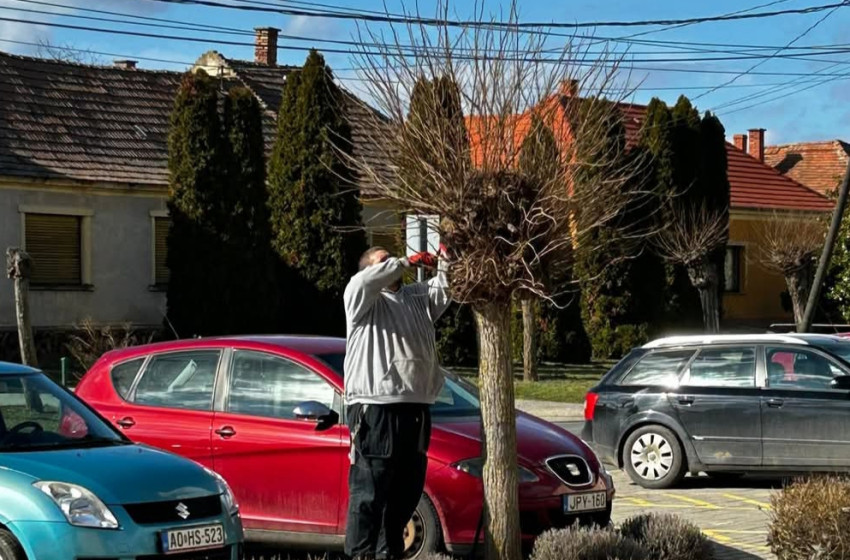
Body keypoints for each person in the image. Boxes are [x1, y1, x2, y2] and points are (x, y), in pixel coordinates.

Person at [342, 244, 451, 560]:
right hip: (376, 408)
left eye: (392, 258)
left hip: (416, 409)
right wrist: (404, 261)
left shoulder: (416, 297)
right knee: (369, 492)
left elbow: (444, 290)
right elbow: (367, 280)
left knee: (407, 491)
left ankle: (388, 552)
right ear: (369, 270)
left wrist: (446, 260)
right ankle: (361, 554)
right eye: (383, 261)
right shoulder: (361, 298)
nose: (391, 264)